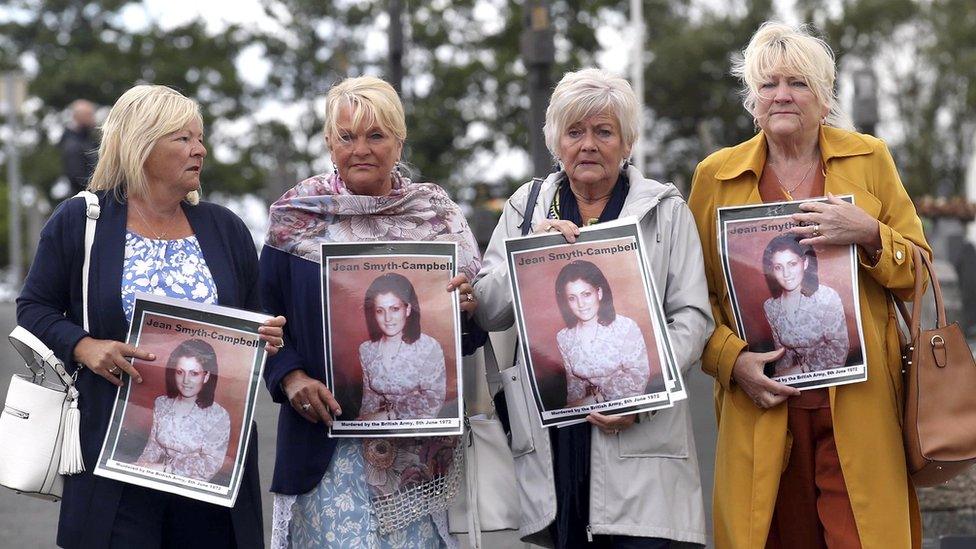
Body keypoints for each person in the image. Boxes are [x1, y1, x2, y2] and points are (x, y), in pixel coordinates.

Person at [687, 21, 931, 548]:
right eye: (768, 84)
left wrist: (869, 234)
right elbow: (692, 298)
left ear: (824, 99)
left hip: (860, 406)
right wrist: (733, 362)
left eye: (798, 84)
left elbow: (918, 276)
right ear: (752, 100)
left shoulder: (869, 158)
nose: (782, 96)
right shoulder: (715, 176)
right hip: (764, 404)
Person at [17, 84, 286, 549]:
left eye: (200, 138)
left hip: (212, 465)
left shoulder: (226, 228)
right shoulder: (82, 220)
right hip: (112, 457)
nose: (199, 149)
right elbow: (33, 308)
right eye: (182, 139)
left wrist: (266, 332)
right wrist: (86, 346)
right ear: (140, 145)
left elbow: (256, 315)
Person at [473, 68, 713, 548]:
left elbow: (692, 318)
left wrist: (639, 395)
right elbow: (488, 311)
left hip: (640, 436)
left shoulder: (665, 209)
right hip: (558, 446)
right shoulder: (525, 209)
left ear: (627, 144)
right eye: (575, 132)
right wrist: (528, 254)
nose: (588, 144)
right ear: (555, 142)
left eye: (604, 132)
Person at [260, 75, 481, 548]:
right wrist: (291, 377)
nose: (361, 148)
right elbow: (262, 317)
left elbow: (468, 335)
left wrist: (464, 308)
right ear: (328, 142)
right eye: (347, 136)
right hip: (324, 448)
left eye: (376, 135)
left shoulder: (437, 218)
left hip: (416, 460)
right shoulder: (294, 218)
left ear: (399, 141)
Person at [554, 260, 650, 406]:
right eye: (572, 298)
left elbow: (638, 378)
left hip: (627, 410)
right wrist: (573, 413)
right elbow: (574, 386)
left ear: (599, 293)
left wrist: (595, 399)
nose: (581, 304)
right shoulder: (564, 337)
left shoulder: (626, 327)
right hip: (586, 415)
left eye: (586, 294)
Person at [135, 339, 231, 482]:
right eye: (180, 372)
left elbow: (209, 465)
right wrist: (137, 468)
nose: (185, 380)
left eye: (194, 373)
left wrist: (165, 469)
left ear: (206, 376)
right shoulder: (162, 403)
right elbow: (153, 448)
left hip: (191, 489)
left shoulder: (219, 416)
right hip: (155, 479)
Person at [359, 273, 447, 420]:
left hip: (420, 433)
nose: (388, 319)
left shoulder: (429, 347)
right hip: (380, 433)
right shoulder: (366, 350)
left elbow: (433, 402)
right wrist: (363, 426)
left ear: (407, 310)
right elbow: (369, 401)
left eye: (394, 309)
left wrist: (388, 416)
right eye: (380, 311)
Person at [760, 234, 847, 376]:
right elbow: (782, 355)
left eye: (792, 264)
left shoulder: (827, 298)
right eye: (778, 267)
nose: (786, 274)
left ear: (805, 263)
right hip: (793, 384)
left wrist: (800, 370)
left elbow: (839, 350)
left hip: (830, 380)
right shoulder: (770, 307)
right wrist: (781, 380)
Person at [59, 99, 98, 194]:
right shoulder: (73, 145)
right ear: (79, 117)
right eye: (90, 115)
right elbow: (78, 178)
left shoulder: (86, 140)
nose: (93, 119)